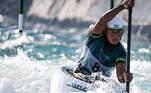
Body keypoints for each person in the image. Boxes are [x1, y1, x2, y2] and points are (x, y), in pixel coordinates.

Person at [74, 0, 135, 83]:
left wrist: (125, 76)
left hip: (100, 86)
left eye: (118, 32)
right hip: (79, 75)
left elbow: (120, 76)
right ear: (106, 31)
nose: (116, 36)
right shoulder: (95, 37)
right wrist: (122, 7)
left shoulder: (121, 52)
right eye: (112, 31)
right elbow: (102, 21)